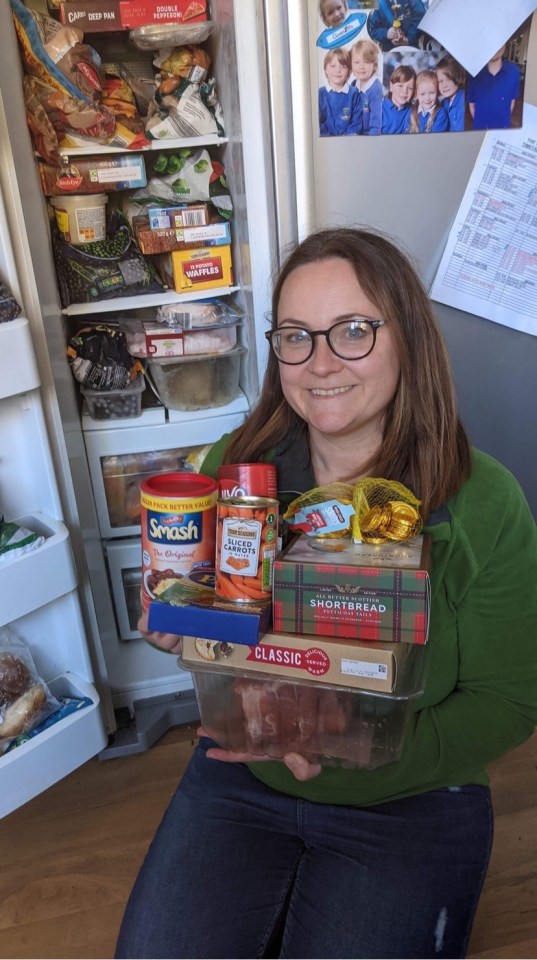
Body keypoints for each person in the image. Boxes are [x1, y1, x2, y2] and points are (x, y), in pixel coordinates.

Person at [116, 227, 537, 960]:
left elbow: (511, 701)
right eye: (294, 337)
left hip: (411, 796)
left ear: (406, 338)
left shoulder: (482, 503)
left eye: (352, 331)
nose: (319, 364)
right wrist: (185, 625)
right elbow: (214, 627)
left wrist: (350, 747)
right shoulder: (236, 469)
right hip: (247, 772)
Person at [467, 44, 520, 130]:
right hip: (479, 129)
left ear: (505, 44)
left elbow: (511, 103)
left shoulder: (513, 71)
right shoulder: (474, 72)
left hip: (503, 129)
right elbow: (472, 105)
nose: (495, 46)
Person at [319, 48, 363, 136]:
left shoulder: (354, 94)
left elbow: (356, 123)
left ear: (349, 71)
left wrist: (344, 141)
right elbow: (319, 124)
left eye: (343, 66)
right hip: (327, 144)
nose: (338, 70)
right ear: (325, 69)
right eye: (333, 66)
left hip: (349, 143)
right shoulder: (320, 94)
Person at [350, 37, 383, 135]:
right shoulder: (353, 85)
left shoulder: (376, 90)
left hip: (368, 137)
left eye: (367, 62)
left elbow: (376, 125)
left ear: (374, 64)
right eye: (357, 62)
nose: (361, 66)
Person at [381, 63, 415, 133]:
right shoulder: (380, 109)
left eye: (410, 88)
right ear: (391, 86)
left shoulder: (413, 110)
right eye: (400, 86)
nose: (405, 91)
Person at [436, 54, 466, 131]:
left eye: (448, 79)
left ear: (458, 77)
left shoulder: (463, 101)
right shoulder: (444, 102)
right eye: (440, 81)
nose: (444, 85)